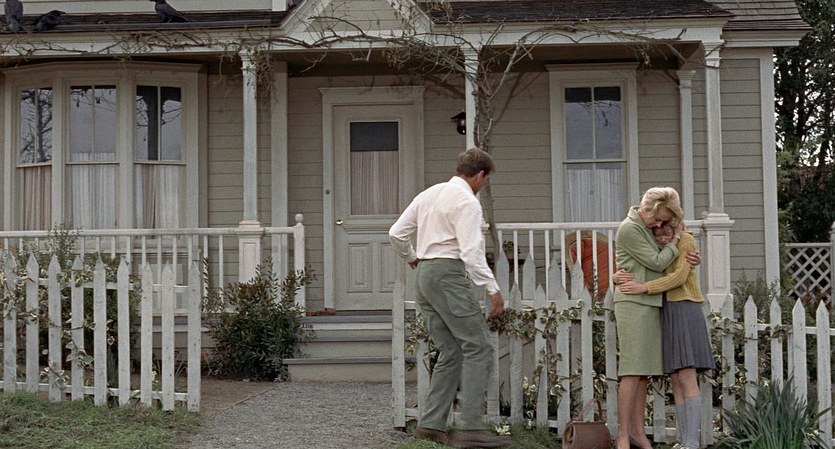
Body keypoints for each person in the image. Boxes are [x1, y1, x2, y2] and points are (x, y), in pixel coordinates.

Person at [389, 148, 511, 448]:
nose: (484, 184)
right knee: (479, 347)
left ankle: (430, 425)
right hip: (448, 275)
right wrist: (493, 289)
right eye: (485, 179)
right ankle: (471, 429)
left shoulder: (429, 194)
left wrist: (412, 258)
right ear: (479, 175)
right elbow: (470, 252)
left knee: (450, 350)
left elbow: (396, 233)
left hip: (425, 276)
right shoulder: (467, 201)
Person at [617, 223, 715, 449]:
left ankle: (691, 443)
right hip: (668, 309)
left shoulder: (685, 240)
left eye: (667, 233)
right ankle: (684, 440)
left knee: (687, 375)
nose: (662, 238)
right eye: (658, 234)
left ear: (675, 226)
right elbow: (646, 265)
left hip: (684, 306)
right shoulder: (659, 247)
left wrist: (644, 287)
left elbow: (679, 277)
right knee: (676, 378)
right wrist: (616, 276)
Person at [613, 186, 685, 449]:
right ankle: (622, 435)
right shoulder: (630, 229)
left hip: (650, 301)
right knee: (631, 371)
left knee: (642, 373)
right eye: (658, 218)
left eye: (664, 220)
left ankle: (638, 432)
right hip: (632, 303)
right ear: (647, 209)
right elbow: (656, 262)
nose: (659, 224)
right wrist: (676, 240)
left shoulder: (646, 227)